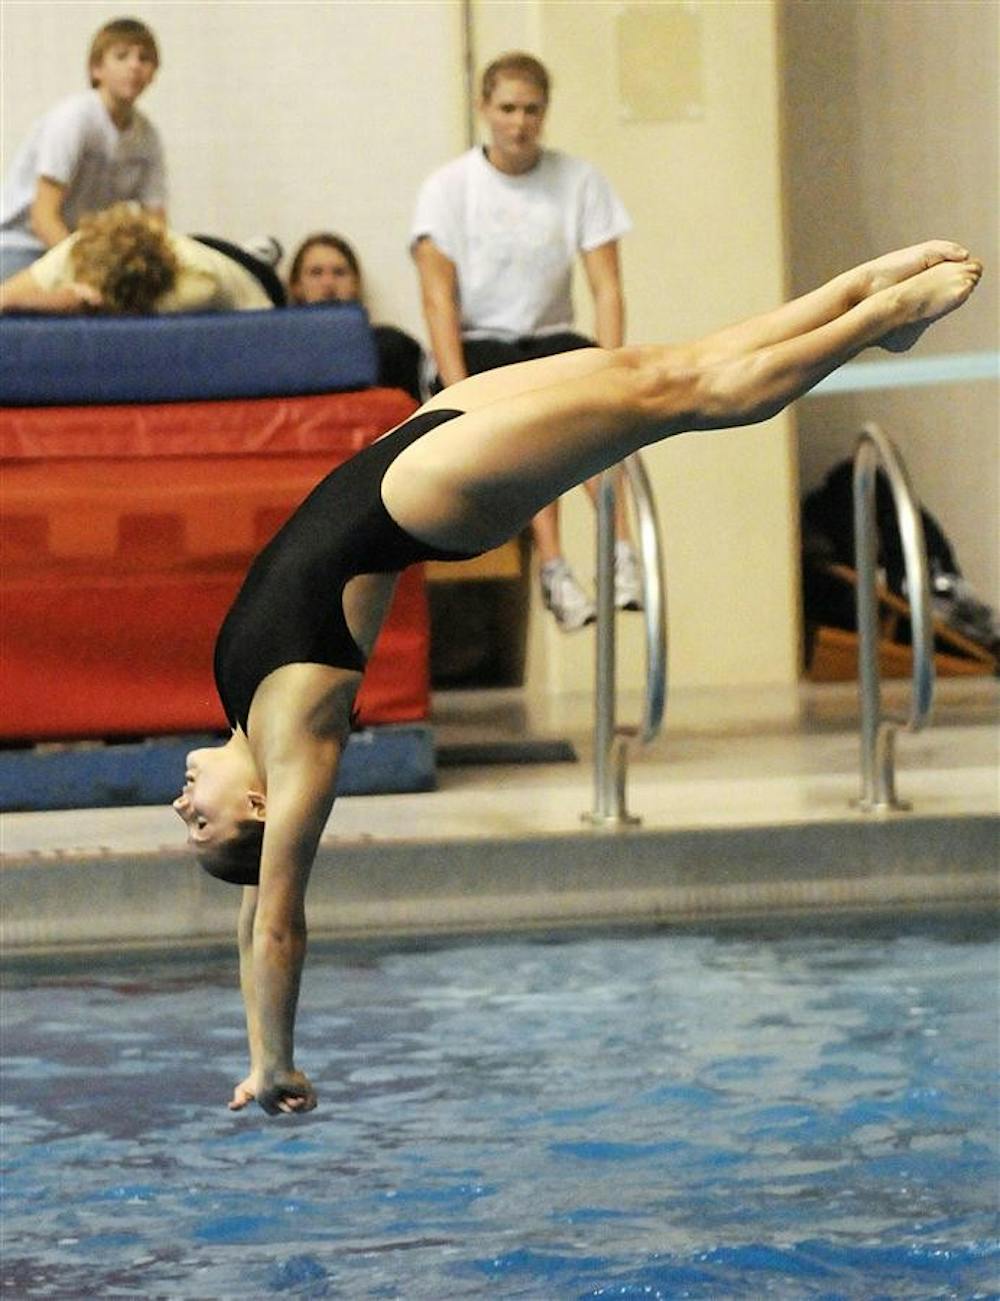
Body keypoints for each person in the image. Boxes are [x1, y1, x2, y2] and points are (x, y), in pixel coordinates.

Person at [171, 242, 982, 1115]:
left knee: (647, 366)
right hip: (434, 493)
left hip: (411, 445)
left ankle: (853, 289)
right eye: (200, 826)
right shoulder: (298, 748)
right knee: (681, 399)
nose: (182, 809)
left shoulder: (241, 705)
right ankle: (878, 320)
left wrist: (247, 902)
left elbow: (251, 912)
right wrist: (274, 1061)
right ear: (260, 809)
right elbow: (280, 923)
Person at [412, 51, 640, 631]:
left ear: (546, 113)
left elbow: (607, 288)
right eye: (508, 108)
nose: (519, 122)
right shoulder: (448, 188)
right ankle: (555, 564)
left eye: (531, 110)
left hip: (551, 335)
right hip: (482, 341)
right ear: (484, 108)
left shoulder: (578, 179)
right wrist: (458, 387)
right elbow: (438, 297)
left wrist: (610, 366)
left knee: (594, 420)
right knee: (535, 435)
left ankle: (621, 551)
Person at [0, 17, 166, 281]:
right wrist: (87, 269)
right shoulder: (74, 120)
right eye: (122, 56)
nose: (134, 65)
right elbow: (43, 217)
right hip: (24, 244)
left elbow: (155, 223)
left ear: (154, 73)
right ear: (96, 69)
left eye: (144, 58)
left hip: (79, 250)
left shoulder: (148, 137)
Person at [0, 204, 276, 314]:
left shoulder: (197, 283)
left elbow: (89, 303)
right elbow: (6, 296)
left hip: (251, 288)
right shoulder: (75, 248)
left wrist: (73, 297)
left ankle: (257, 257)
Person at [288, 233, 424, 401]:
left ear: (355, 284)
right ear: (296, 286)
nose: (328, 283)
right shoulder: (281, 352)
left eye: (339, 273)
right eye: (316, 273)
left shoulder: (392, 348)